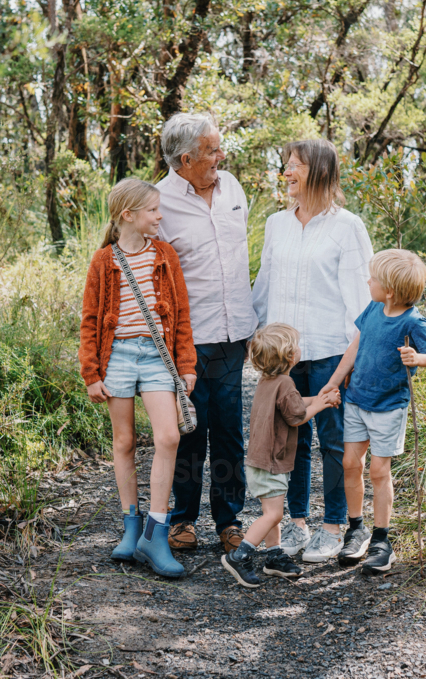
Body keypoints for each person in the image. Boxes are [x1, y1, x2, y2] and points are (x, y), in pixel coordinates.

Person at [252, 139, 373, 563]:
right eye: (285, 164)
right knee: (290, 440)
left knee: (334, 441)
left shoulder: (347, 227)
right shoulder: (276, 225)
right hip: (286, 357)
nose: (285, 172)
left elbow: (361, 303)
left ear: (318, 172)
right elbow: (263, 288)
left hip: (330, 353)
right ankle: (298, 524)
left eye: (294, 165)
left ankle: (334, 527)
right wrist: (256, 338)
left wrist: (350, 363)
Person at [78, 179, 197, 579]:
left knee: (168, 437)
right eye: (152, 211)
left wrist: (186, 366)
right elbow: (90, 321)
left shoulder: (165, 256)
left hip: (157, 356)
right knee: (124, 441)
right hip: (118, 358)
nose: (159, 216)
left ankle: (155, 531)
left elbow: (180, 316)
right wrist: (91, 373)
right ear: (127, 215)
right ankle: (129, 526)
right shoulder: (103, 261)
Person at [156, 113, 259, 554]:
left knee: (229, 429)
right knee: (189, 430)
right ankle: (182, 518)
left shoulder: (232, 188)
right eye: (213, 150)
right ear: (186, 159)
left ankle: (228, 518)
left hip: (233, 332)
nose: (222, 156)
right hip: (187, 339)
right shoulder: (159, 202)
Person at [319, 249, 426, 573]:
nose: (368, 281)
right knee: (350, 463)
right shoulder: (374, 308)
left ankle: (381, 540)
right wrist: (332, 384)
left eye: (373, 278)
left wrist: (418, 358)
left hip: (388, 408)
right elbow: (355, 347)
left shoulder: (412, 321)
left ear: (390, 289)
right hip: (356, 401)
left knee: (379, 471)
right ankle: (356, 529)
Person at [221, 324, 341, 587]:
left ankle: (274, 555)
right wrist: (321, 404)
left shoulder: (269, 381)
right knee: (273, 515)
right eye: (296, 345)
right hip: (272, 462)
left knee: (270, 510)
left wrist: (318, 397)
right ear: (290, 357)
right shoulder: (286, 382)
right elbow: (297, 416)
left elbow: (295, 402)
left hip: (259, 460)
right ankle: (240, 556)